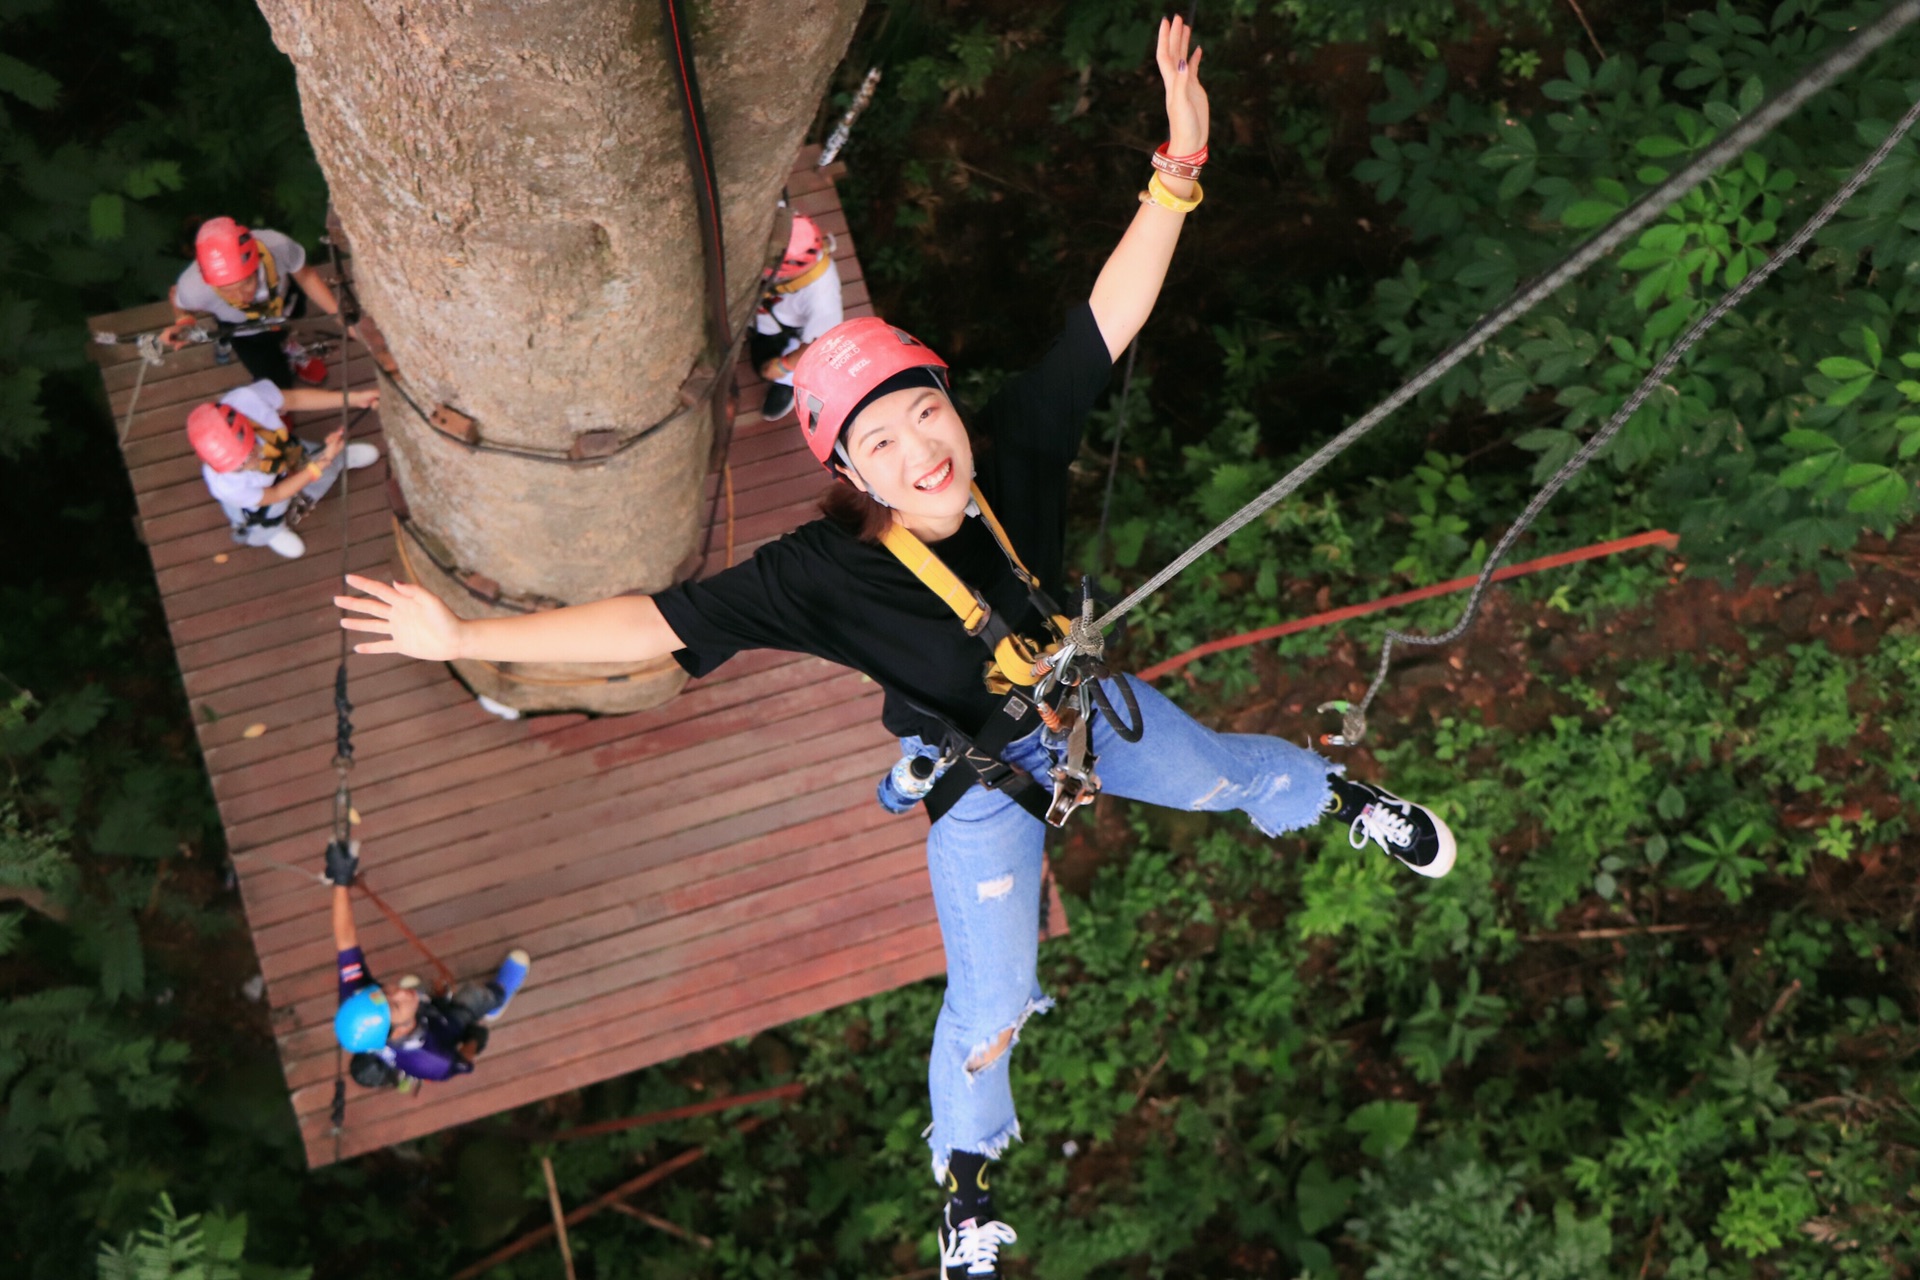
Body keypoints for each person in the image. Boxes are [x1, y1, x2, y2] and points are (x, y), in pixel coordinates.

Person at [336, 18, 1452, 1275]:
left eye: (930, 410)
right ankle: (967, 1185)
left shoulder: (1011, 453)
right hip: (984, 780)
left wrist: (1177, 169)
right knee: (989, 1007)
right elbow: (651, 621)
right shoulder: (821, 573)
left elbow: (1106, 316)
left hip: (1082, 713)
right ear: (849, 475)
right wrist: (465, 631)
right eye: (886, 442)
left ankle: (1343, 794)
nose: (925, 447)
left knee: (1232, 777)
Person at [323, 840, 531, 1092]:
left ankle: (426, 1003)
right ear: (398, 1033)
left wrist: (341, 883)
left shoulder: (359, 1001)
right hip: (449, 1027)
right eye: (396, 1003)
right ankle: (497, 998)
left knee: (417, 992)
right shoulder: (430, 1063)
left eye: (387, 991)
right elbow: (462, 1063)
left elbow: (345, 940)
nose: (399, 992)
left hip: (424, 1014)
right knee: (474, 998)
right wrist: (473, 1042)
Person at [187, 378, 382, 560]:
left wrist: (354, 399)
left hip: (285, 452)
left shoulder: (248, 400)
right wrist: (320, 464)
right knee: (266, 518)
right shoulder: (227, 485)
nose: (250, 465)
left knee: (313, 461)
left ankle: (338, 460)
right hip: (264, 500)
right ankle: (273, 531)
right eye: (239, 467)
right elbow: (277, 493)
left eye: (248, 454)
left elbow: (294, 399)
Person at [160, 217, 354, 387]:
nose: (242, 297)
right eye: (228, 291)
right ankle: (280, 399)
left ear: (257, 262)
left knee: (287, 326)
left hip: (284, 305)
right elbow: (177, 297)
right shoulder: (194, 287)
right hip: (243, 330)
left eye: (247, 283)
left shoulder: (277, 246)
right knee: (268, 373)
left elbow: (306, 276)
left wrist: (338, 313)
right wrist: (184, 322)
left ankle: (288, 345)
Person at [752, 211, 844, 422]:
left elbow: (818, 346)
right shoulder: (782, 218)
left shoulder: (823, 297)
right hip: (764, 312)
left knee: (764, 366)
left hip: (785, 331)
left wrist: (783, 366)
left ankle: (787, 384)